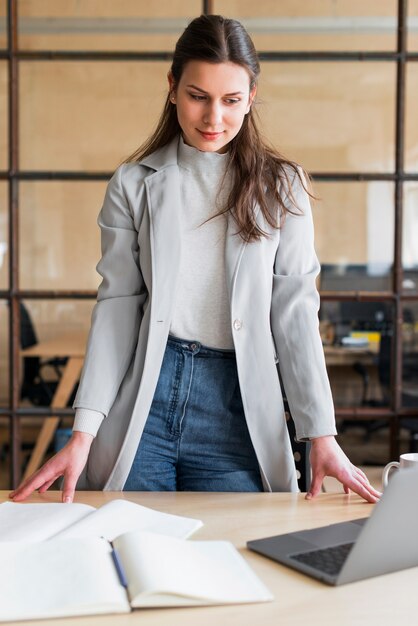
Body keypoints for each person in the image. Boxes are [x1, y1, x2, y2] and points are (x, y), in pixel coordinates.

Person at [10, 14, 380, 504]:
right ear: (172, 88)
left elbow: (294, 314)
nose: (213, 119)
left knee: (238, 555)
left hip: (237, 404)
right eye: (197, 96)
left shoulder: (282, 186)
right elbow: (118, 306)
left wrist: (322, 434)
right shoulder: (133, 184)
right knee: (128, 544)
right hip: (147, 394)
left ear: (251, 97)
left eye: (231, 100)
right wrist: (84, 432)